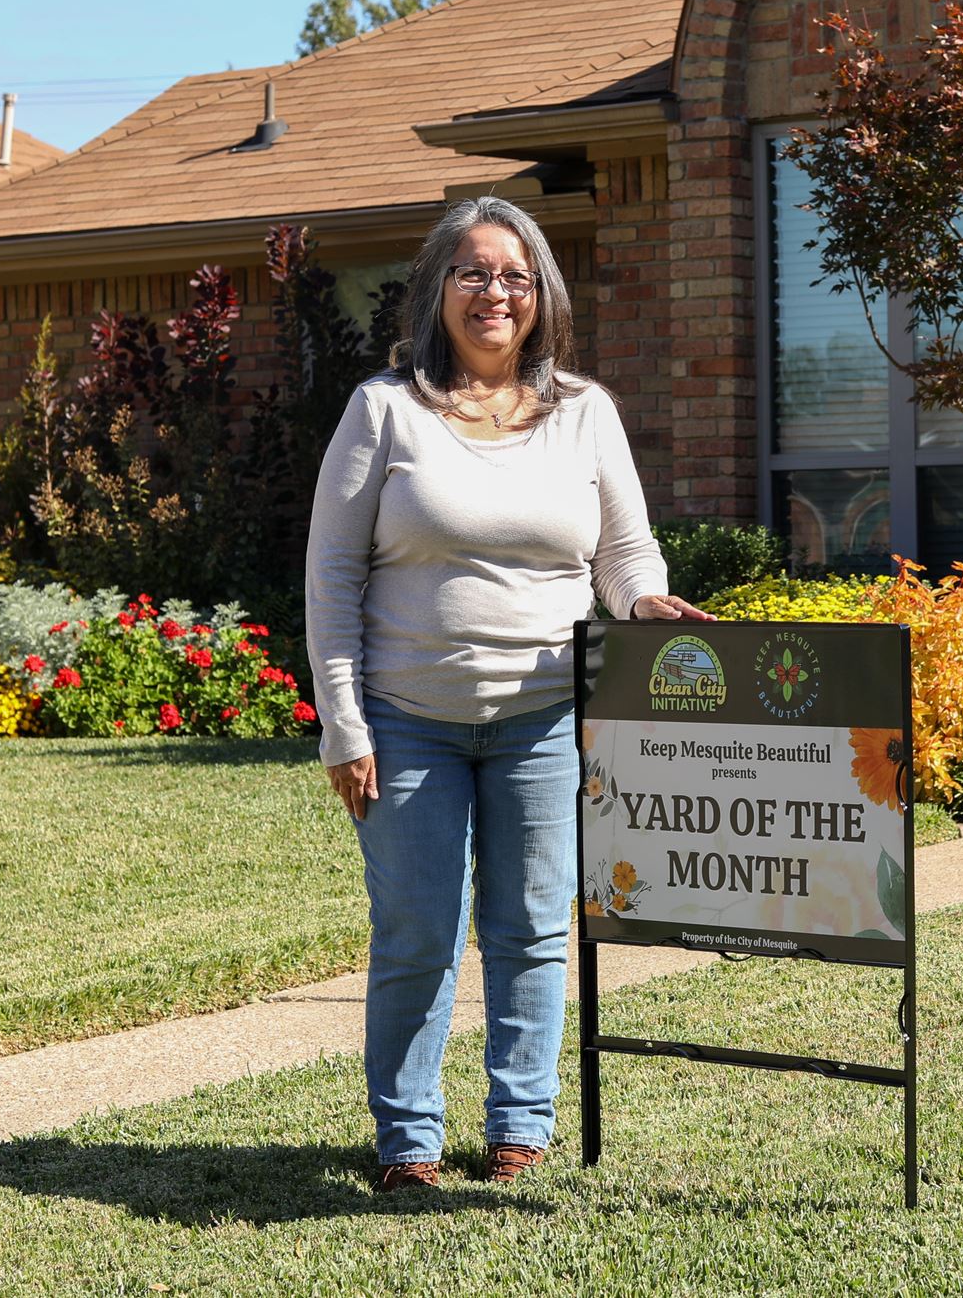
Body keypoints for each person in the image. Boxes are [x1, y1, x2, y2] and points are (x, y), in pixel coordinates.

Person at [306, 195, 709, 1193]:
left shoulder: (582, 410)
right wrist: (343, 724)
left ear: (540, 298)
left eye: (516, 276)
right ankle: (408, 1140)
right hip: (407, 724)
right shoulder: (383, 409)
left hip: (543, 719)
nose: (496, 292)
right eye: (475, 272)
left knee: (531, 926)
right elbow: (332, 575)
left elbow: (621, 549)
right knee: (415, 931)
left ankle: (518, 1124)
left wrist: (642, 599)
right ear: (438, 286)